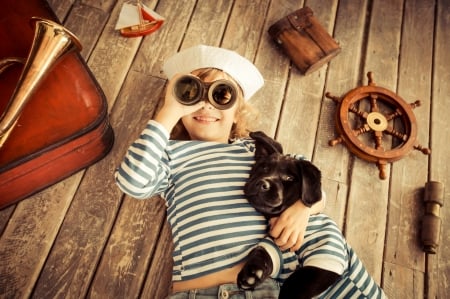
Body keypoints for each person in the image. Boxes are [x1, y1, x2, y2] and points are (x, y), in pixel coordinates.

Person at [114, 44, 324, 297]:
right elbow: (132, 182)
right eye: (191, 94)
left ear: (238, 113)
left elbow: (310, 177)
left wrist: (304, 208)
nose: (205, 106)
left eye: (222, 95)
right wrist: (169, 111)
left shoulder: (256, 149)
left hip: (273, 286)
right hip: (201, 292)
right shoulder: (170, 154)